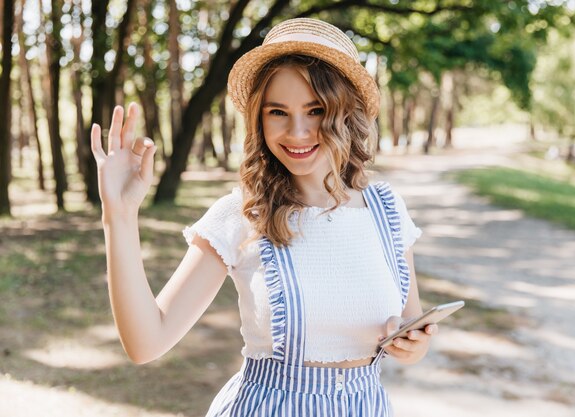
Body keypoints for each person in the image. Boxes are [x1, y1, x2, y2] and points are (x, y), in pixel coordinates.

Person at [91, 17, 437, 417]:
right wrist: (119, 215)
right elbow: (145, 342)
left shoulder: (387, 209)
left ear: (347, 112)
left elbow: (410, 329)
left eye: (316, 109)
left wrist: (415, 346)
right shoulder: (240, 216)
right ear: (260, 117)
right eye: (278, 112)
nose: (297, 131)